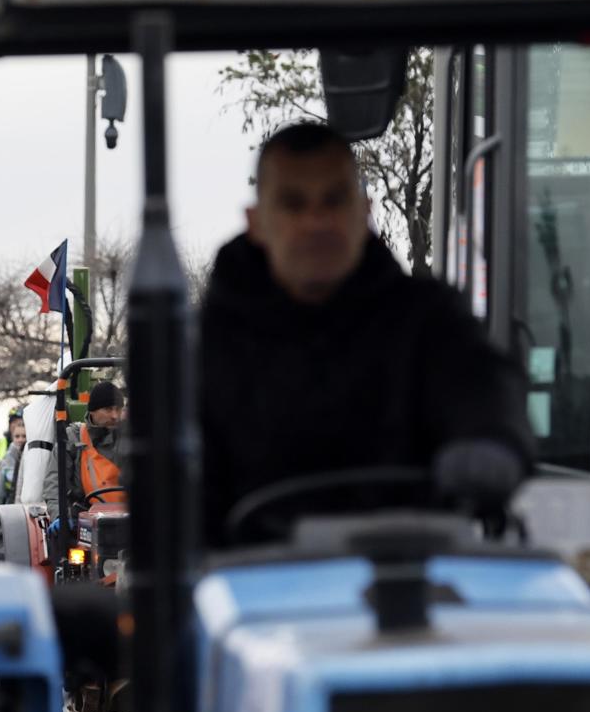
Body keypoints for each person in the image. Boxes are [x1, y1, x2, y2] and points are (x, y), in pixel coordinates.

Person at [199, 121, 530, 547]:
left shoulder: (428, 319)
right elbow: (172, 478)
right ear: (256, 221)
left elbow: (481, 386)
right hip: (254, 584)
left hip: (409, 576)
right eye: (293, 204)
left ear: (365, 211)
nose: (316, 222)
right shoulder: (203, 348)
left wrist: (490, 437)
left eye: (334, 201)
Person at [40, 381, 125, 511]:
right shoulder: (73, 438)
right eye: (108, 409)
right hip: (84, 517)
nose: (114, 416)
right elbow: (55, 485)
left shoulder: (130, 439)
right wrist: (59, 516)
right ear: (92, 411)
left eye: (118, 409)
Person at [0, 412, 29, 503]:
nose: (20, 439)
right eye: (17, 436)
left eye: (24, 436)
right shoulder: (5, 460)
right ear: (12, 438)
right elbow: (0, 490)